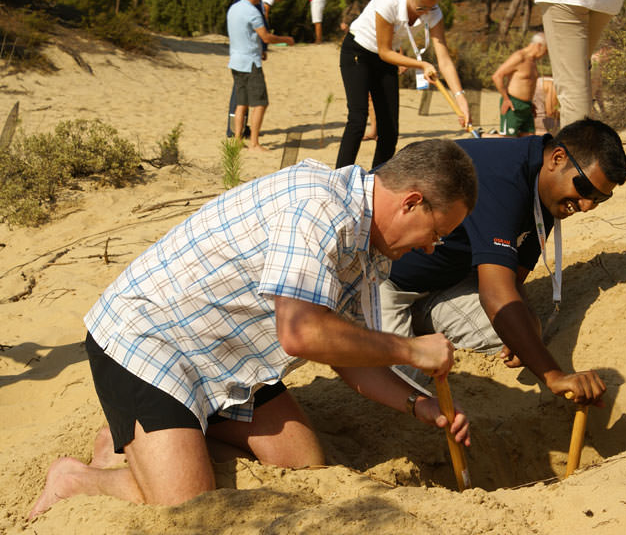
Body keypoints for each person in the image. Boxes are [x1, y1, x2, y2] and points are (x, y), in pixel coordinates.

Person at [28, 139, 477, 518]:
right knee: (192, 508)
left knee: (302, 463)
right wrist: (412, 350)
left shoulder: (371, 249)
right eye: (436, 231)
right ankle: (78, 479)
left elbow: (349, 355)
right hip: (150, 341)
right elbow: (301, 334)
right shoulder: (321, 208)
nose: (431, 246)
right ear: (411, 201)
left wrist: (421, 405)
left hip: (224, 358)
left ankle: (141, 443)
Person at [381, 118, 626, 404]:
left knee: (521, 336)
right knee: (407, 389)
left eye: (599, 199)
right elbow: (496, 295)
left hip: (442, 284)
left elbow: (513, 280)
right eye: (584, 189)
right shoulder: (503, 177)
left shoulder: (548, 196)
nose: (586, 206)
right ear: (558, 158)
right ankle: (381, 324)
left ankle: (418, 323)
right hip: (382, 277)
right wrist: (552, 376)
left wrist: (529, 330)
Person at [336, 0, 472, 169]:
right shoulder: (389, 3)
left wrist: (461, 99)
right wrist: (422, 64)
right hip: (359, 52)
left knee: (390, 130)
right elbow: (384, 51)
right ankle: (339, 178)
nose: (424, 13)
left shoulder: (433, 10)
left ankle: (376, 180)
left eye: (430, 8)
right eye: (421, 8)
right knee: (358, 120)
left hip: (386, 59)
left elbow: (444, 60)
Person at [535, 0, 623, 127]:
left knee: (572, 86)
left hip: (565, 2)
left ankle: (578, 146)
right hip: (606, 4)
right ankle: (588, 141)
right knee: (580, 77)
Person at [227, 0, 294, 151]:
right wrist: (286, 40)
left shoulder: (234, 8)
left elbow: (244, 34)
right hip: (250, 62)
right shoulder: (252, 11)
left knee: (241, 103)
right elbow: (266, 37)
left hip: (235, 60)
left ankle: (238, 139)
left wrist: (260, 50)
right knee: (260, 103)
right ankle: (254, 143)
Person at [492, 32, 548, 137]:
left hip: (527, 106)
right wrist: (506, 99)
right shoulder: (519, 57)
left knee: (530, 138)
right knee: (509, 139)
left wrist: (530, 103)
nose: (546, 54)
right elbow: (497, 76)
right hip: (513, 104)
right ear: (539, 45)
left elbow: (528, 84)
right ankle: (483, 136)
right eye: (546, 51)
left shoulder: (533, 61)